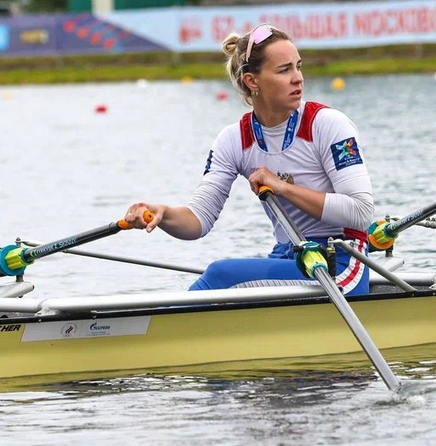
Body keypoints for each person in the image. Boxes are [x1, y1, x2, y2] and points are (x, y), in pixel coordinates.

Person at [124, 23, 374, 295]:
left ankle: (161, 331)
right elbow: (198, 221)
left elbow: (360, 212)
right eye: (284, 70)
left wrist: (282, 187)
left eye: (298, 67)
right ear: (252, 81)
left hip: (342, 261)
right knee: (223, 280)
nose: (298, 78)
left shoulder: (327, 125)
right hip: (289, 255)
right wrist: (163, 214)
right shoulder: (234, 140)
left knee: (221, 274)